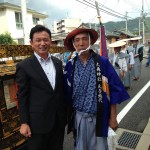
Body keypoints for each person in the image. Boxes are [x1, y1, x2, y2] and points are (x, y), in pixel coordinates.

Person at [63, 27, 130, 150]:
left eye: (84, 39)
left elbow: (114, 90)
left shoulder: (102, 63)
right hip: (79, 118)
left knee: (100, 147)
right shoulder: (70, 65)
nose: (81, 43)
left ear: (90, 41)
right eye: (77, 40)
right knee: (80, 146)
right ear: (74, 44)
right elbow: (65, 94)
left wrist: (113, 117)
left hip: (99, 117)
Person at [16, 25, 67, 150]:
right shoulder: (24, 66)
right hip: (37, 124)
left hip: (58, 121)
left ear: (50, 41)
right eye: (38, 40)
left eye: (45, 39)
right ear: (31, 43)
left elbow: (59, 91)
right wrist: (24, 122)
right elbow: (22, 96)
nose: (42, 43)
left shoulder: (57, 62)